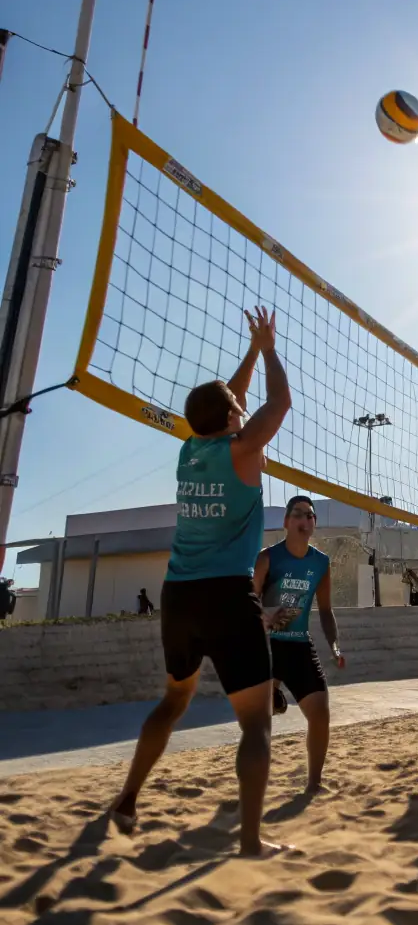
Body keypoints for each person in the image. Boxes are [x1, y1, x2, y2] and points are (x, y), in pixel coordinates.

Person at [110, 307, 292, 857]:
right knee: (257, 724)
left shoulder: (191, 450)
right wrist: (271, 349)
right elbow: (278, 403)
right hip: (226, 595)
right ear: (234, 418)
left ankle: (126, 799)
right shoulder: (243, 450)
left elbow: (226, 401)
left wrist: (252, 353)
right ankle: (252, 843)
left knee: (173, 702)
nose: (241, 405)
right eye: (237, 405)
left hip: (178, 595)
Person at [253, 495, 344, 795]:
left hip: (300, 645)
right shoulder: (267, 558)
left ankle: (314, 784)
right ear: (286, 522)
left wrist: (334, 646)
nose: (304, 519)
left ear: (314, 523)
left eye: (309, 515)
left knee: (320, 713)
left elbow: (326, 610)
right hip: (268, 644)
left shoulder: (321, 563)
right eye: (297, 514)